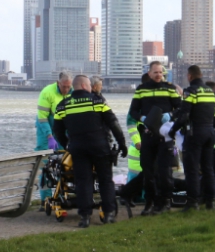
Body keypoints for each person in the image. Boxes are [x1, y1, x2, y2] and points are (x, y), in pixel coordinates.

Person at [52, 75, 126, 228]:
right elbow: (113, 123)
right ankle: (109, 215)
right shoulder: (97, 101)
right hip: (99, 146)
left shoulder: (63, 105)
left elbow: (57, 131)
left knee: (82, 182)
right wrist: (122, 144)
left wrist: (67, 145)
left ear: (75, 86)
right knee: (105, 180)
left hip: (78, 148)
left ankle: (84, 217)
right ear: (86, 86)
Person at [128, 61, 182, 215]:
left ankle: (164, 202)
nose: (159, 75)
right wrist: (142, 117)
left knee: (165, 172)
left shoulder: (170, 89)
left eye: (161, 72)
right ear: (149, 73)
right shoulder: (141, 90)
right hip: (148, 135)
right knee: (148, 172)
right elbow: (133, 112)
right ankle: (150, 202)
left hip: (165, 136)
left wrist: (170, 115)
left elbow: (180, 108)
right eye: (156, 72)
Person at [169, 65, 215, 211]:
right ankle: (210, 201)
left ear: (190, 76)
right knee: (208, 168)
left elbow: (185, 114)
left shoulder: (191, 91)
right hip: (210, 132)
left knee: (192, 169)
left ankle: (192, 202)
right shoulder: (210, 91)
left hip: (195, 133)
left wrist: (173, 129)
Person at [36, 71, 72, 151]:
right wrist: (49, 136)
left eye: (68, 87)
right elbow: (42, 117)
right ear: (58, 83)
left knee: (64, 151)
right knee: (44, 151)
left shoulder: (73, 93)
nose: (66, 90)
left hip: (62, 126)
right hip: (47, 123)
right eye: (64, 87)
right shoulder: (47, 92)